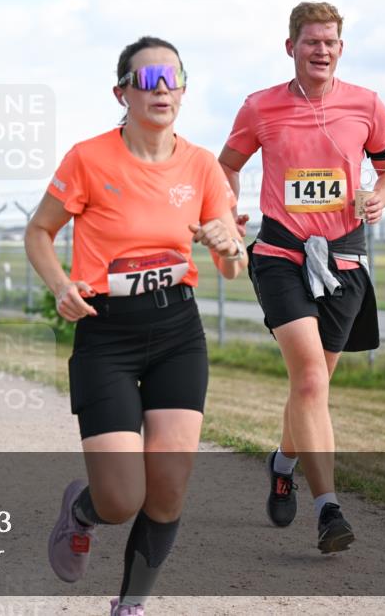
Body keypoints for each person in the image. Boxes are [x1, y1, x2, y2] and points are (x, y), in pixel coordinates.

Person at [25, 37, 245, 616]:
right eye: (147, 79)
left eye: (173, 77)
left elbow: (231, 262)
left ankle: (131, 606)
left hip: (177, 331)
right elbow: (38, 232)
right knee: (123, 498)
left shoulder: (200, 165)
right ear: (121, 91)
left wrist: (228, 244)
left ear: (184, 89)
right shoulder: (88, 158)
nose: (162, 88)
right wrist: (60, 286)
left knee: (168, 488)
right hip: (106, 333)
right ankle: (82, 512)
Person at [218, 2, 385, 554]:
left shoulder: (367, 105)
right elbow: (225, 164)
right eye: (310, 42)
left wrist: (379, 196)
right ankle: (329, 510)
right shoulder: (260, 107)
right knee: (308, 381)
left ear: (340, 48)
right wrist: (229, 207)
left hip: (344, 260)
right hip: (280, 254)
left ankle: (282, 463)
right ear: (291, 48)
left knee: (314, 384)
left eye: (329, 42)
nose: (320, 50)